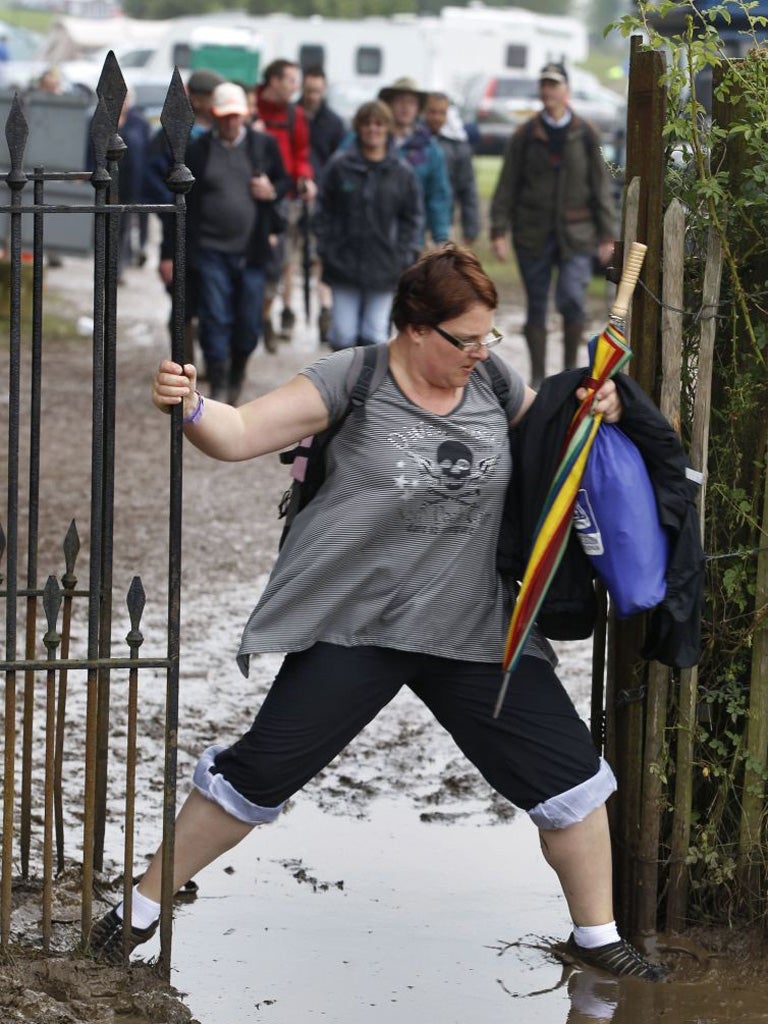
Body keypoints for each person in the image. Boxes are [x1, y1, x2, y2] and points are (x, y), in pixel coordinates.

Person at [88, 243, 667, 985]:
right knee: (257, 773)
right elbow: (234, 434)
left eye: (489, 336)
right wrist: (191, 404)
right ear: (415, 329)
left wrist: (604, 405)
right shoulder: (352, 377)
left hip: (474, 631)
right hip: (360, 626)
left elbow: (557, 427)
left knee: (572, 778)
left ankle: (595, 935)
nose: (480, 352)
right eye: (465, 338)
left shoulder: (490, 378)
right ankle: (134, 913)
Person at [489, 62, 615, 389]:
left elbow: (600, 186)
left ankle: (572, 372)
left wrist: (606, 235)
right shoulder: (525, 134)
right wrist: (498, 231)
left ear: (566, 91)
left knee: (572, 297)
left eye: (554, 85)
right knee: (536, 305)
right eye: (544, 85)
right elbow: (507, 185)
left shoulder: (586, 132)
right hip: (533, 233)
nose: (548, 91)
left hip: (577, 233)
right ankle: (538, 378)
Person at [182, 81, 290, 403]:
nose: (231, 123)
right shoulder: (199, 150)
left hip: (252, 250)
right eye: (225, 116)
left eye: (236, 116)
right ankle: (218, 378)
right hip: (211, 249)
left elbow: (284, 182)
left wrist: (271, 191)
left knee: (248, 320)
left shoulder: (262, 145)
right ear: (214, 116)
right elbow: (185, 201)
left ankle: (237, 371)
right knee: (214, 316)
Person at [313, 100, 422, 350]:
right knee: (343, 334)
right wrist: (327, 245)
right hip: (343, 262)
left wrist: (403, 253)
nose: (373, 129)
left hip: (385, 265)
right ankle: (342, 384)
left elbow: (412, 216)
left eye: (380, 124)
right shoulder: (339, 167)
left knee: (375, 334)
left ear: (389, 128)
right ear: (358, 128)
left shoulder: (402, 172)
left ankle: (367, 388)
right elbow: (322, 209)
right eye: (367, 123)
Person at [144, 68, 225, 365]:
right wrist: (174, 202)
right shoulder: (172, 134)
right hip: (180, 226)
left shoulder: (219, 131)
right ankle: (185, 363)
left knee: (212, 302)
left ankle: (211, 362)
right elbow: (152, 179)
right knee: (182, 303)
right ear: (200, 98)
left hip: (212, 231)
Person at [254, 58, 317, 349]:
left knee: (280, 262)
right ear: (273, 80)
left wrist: (305, 178)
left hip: (285, 198)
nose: (296, 87)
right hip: (250, 194)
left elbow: (301, 153)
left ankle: (265, 313)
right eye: (291, 80)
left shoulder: (296, 115)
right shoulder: (251, 105)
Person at [299, 64, 345, 344]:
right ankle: (289, 310)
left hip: (325, 198)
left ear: (324, 90)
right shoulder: (293, 116)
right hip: (295, 195)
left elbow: (338, 163)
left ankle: (325, 307)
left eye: (317, 90)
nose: (312, 95)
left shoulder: (334, 123)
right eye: (308, 90)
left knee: (320, 256)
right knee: (290, 259)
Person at [377, 76, 452, 247]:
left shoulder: (430, 149)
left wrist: (441, 237)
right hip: (370, 239)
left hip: (410, 239)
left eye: (411, 102)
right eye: (400, 101)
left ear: (418, 109)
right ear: (388, 105)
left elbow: (438, 196)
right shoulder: (370, 138)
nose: (405, 107)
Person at [423, 91, 480, 246]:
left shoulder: (458, 145)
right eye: (432, 112)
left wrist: (471, 227)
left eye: (441, 113)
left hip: (442, 222)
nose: (436, 118)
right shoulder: (413, 142)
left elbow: (467, 188)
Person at [116, 91, 151, 280]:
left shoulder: (139, 123)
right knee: (115, 227)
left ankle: (131, 256)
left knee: (128, 224)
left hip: (134, 183)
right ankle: (117, 266)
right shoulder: (101, 120)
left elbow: (146, 153)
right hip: (110, 183)